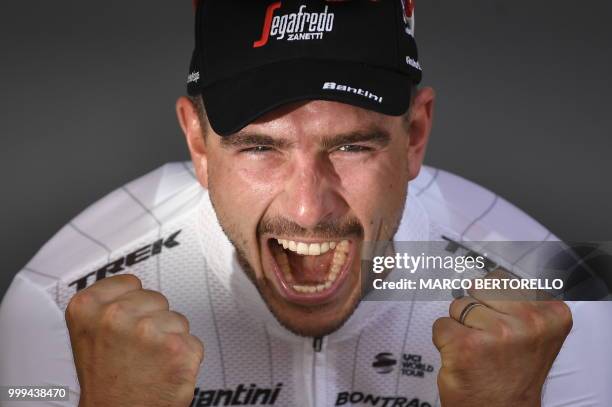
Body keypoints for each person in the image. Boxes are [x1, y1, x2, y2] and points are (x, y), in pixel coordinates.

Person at [1, 1, 610, 406]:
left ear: (415, 135)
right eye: (260, 147)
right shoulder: (56, 295)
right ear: (198, 143)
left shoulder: (559, 295)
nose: (310, 208)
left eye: (351, 145)